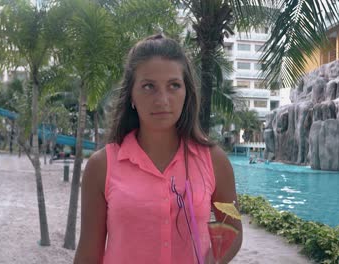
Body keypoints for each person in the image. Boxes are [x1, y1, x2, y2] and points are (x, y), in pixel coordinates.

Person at [74, 34, 243, 264]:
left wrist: (213, 260)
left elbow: (231, 226)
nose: (162, 99)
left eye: (174, 85)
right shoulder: (101, 167)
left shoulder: (214, 161)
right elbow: (88, 255)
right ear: (131, 95)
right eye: (148, 86)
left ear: (186, 93)